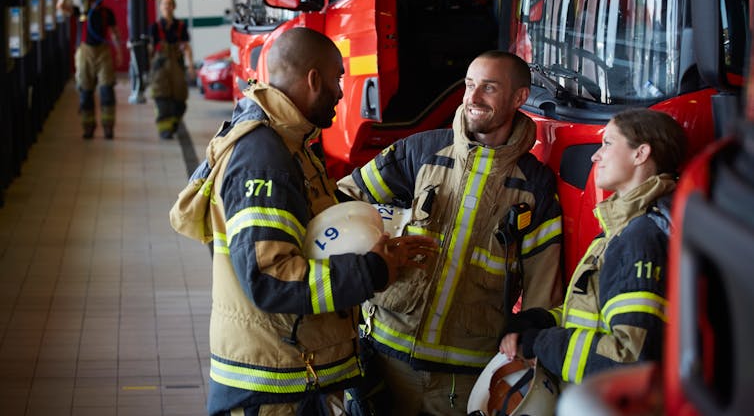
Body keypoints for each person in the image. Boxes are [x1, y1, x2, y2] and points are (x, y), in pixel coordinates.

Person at [170, 27, 437, 416]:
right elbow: (270, 277)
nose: (342, 92)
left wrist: (380, 249)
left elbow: (312, 238)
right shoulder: (263, 157)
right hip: (271, 384)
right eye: (337, 79)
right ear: (313, 79)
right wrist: (370, 271)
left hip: (289, 369)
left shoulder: (288, 143)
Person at [337, 50, 564, 415]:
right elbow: (344, 200)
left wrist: (527, 346)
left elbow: (543, 288)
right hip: (385, 363)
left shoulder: (535, 186)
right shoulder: (421, 151)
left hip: (462, 381)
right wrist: (370, 252)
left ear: (520, 98)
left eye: (488, 88)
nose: (473, 98)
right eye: (469, 84)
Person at [499, 108, 687, 390]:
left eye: (608, 144)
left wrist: (540, 343)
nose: (594, 156)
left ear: (641, 154)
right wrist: (539, 320)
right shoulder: (618, 231)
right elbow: (591, 315)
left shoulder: (640, 237)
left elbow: (629, 360)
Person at [57, 0, 123, 139]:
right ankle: (88, 126)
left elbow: (114, 33)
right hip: (84, 51)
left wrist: (119, 52)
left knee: (107, 89)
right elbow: (60, 6)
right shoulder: (81, 10)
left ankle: (108, 126)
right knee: (85, 90)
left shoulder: (107, 13)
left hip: (103, 52)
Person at [148, 0, 195, 139]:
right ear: (161, 8)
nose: (166, 7)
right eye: (164, 4)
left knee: (180, 99)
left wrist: (191, 66)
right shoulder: (154, 27)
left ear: (173, 7)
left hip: (177, 66)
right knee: (161, 97)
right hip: (160, 66)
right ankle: (164, 130)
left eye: (169, 4)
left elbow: (186, 46)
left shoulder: (180, 26)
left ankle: (174, 124)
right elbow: (150, 48)